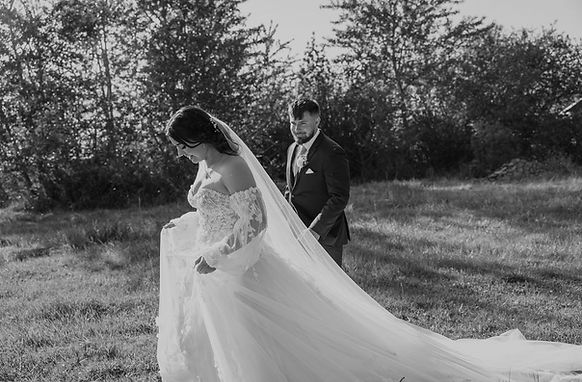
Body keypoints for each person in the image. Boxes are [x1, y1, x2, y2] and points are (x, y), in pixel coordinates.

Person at [157, 105, 582, 382]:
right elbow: (219, 212)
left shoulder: (232, 166)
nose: (179, 153)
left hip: (238, 270)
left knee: (264, 342)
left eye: (181, 145)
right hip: (214, 271)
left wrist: (217, 254)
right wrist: (190, 222)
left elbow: (256, 220)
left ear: (200, 136)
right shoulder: (204, 166)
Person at [284, 98, 350, 267]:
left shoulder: (332, 152)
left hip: (325, 236)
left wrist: (314, 231)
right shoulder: (293, 149)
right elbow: (291, 190)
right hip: (296, 232)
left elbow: (339, 197)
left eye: (303, 123)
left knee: (330, 290)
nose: (297, 129)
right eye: (293, 123)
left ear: (317, 121)